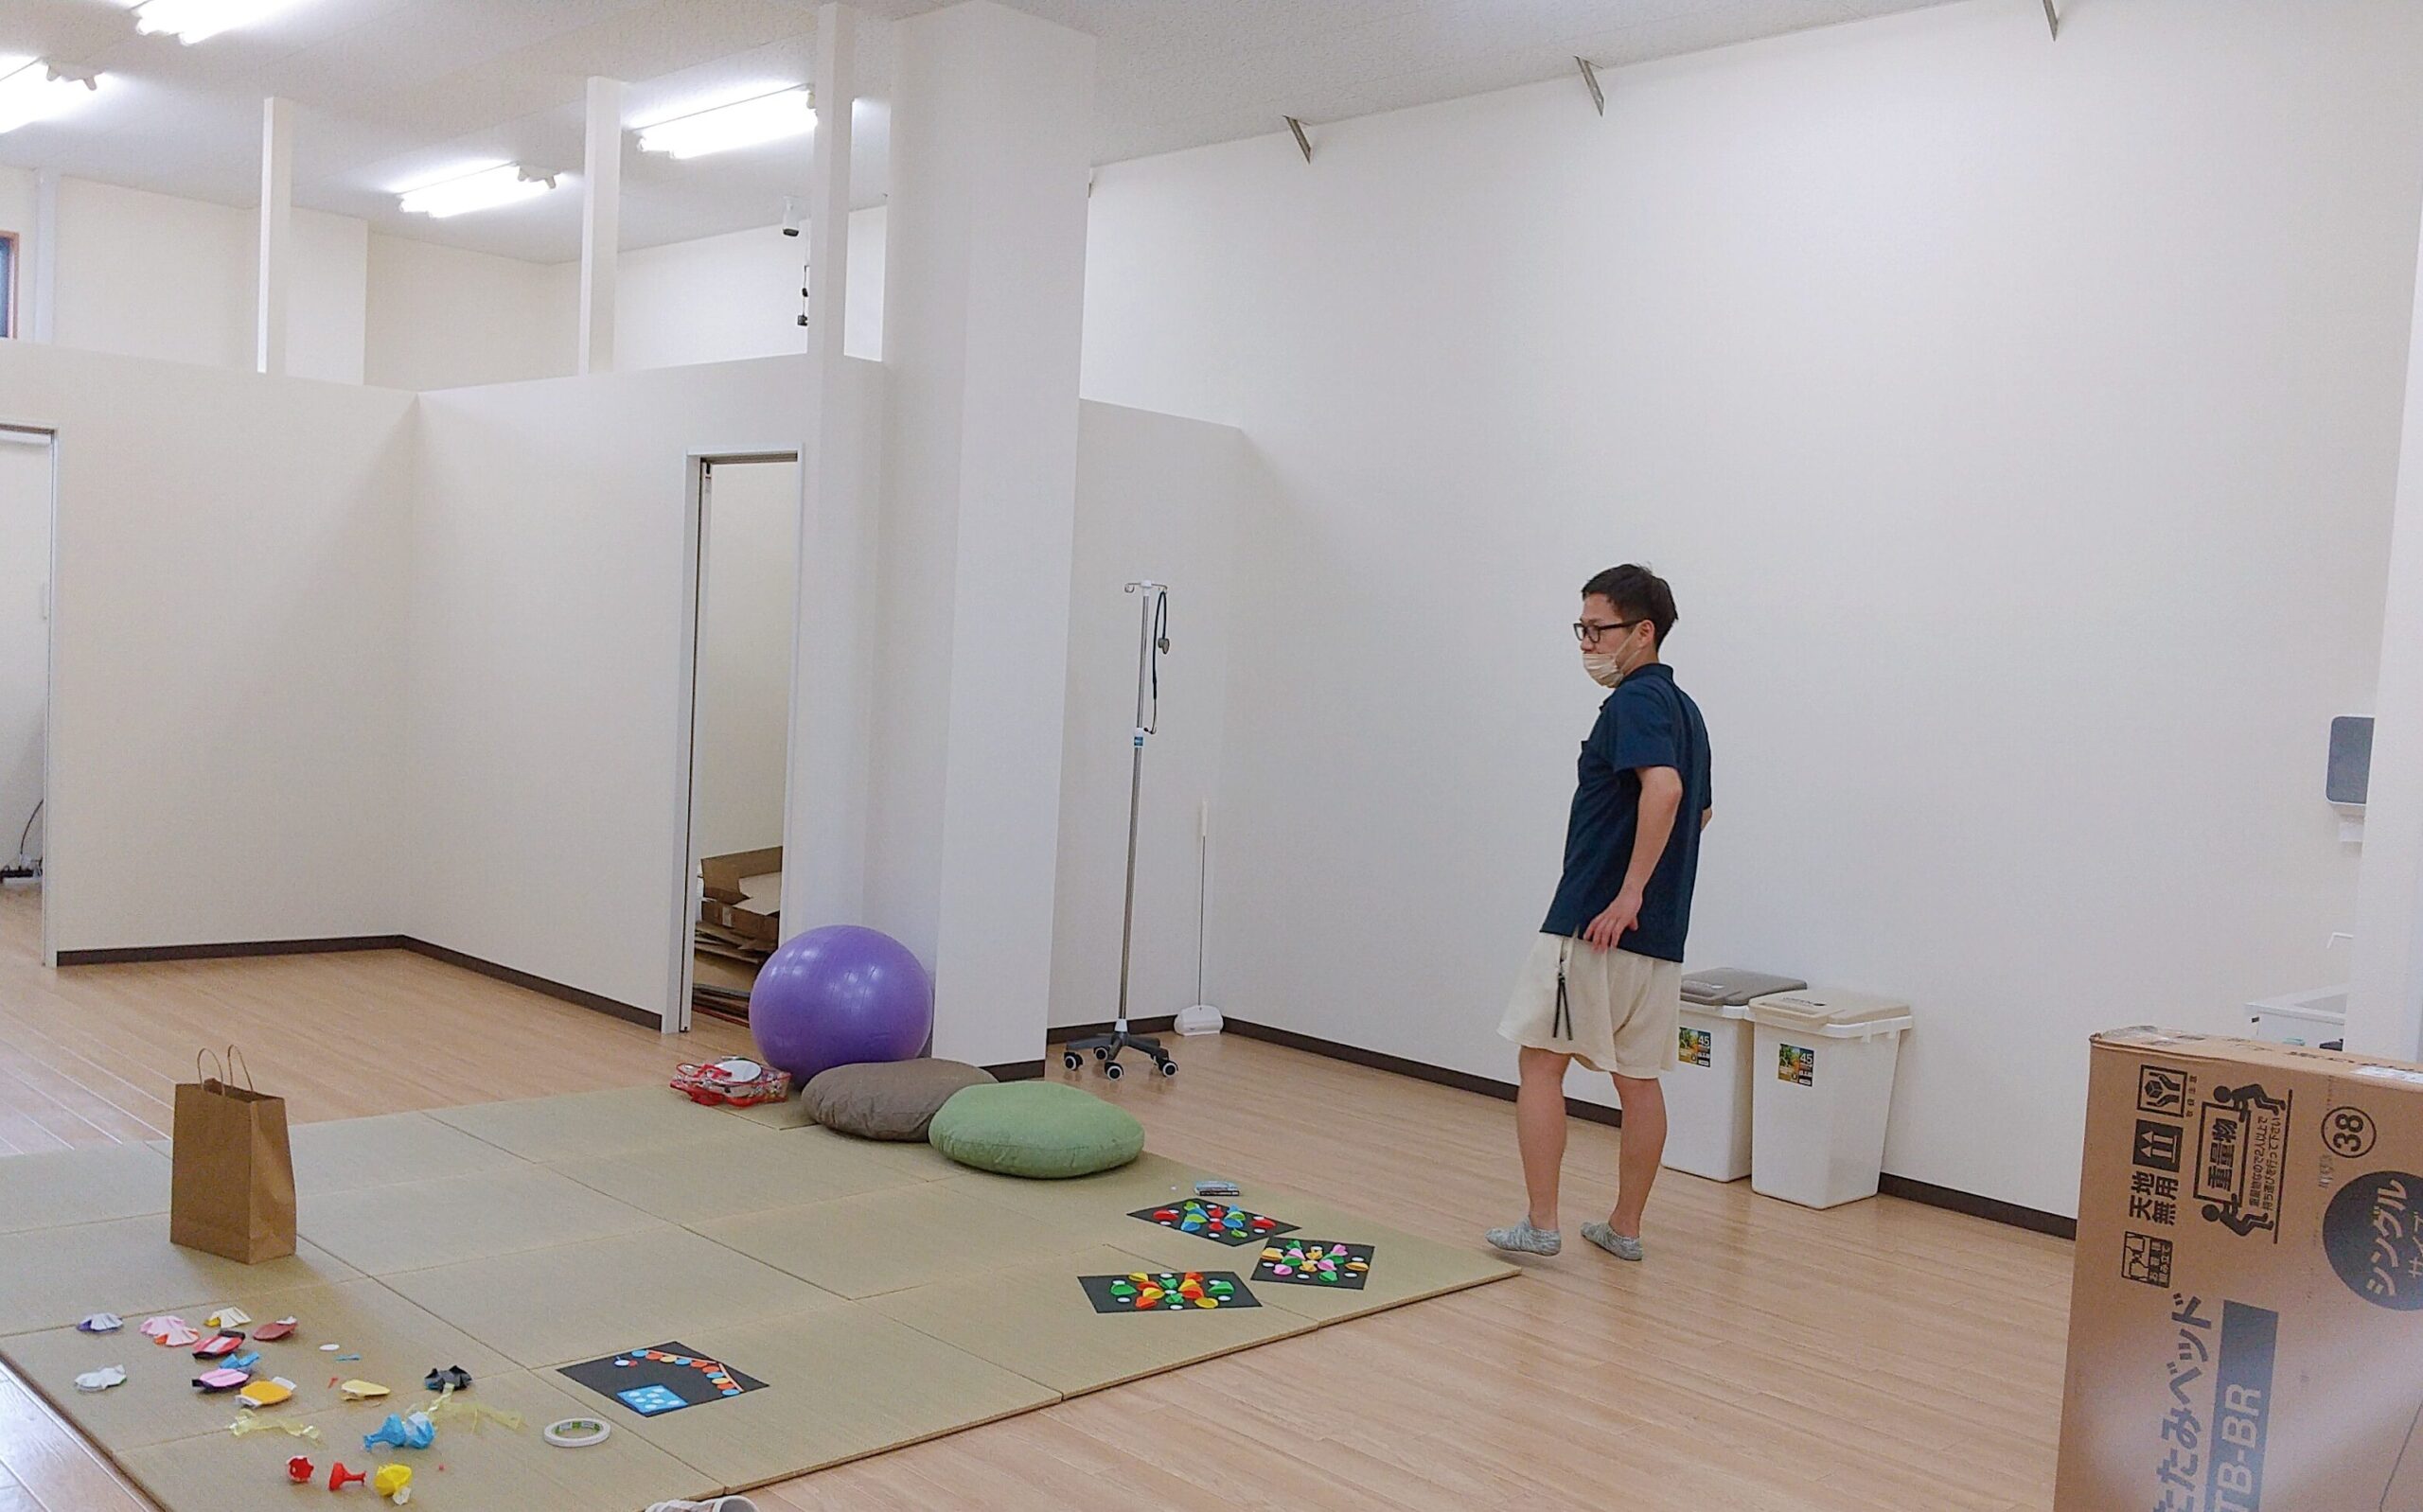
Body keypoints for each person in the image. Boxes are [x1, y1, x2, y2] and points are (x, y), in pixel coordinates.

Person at [1489, 564, 1711, 1262]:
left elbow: (1666, 792)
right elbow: (1699, 812)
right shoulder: (1686, 711)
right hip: (1659, 938)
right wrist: (1651, 891)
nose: (1587, 643)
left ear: (1643, 632)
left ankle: (1541, 1223)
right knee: (1638, 1080)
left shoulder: (1634, 702)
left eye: (1598, 629)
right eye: (1580, 629)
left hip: (1594, 922)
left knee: (1539, 1063)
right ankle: (1624, 1228)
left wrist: (1627, 891)